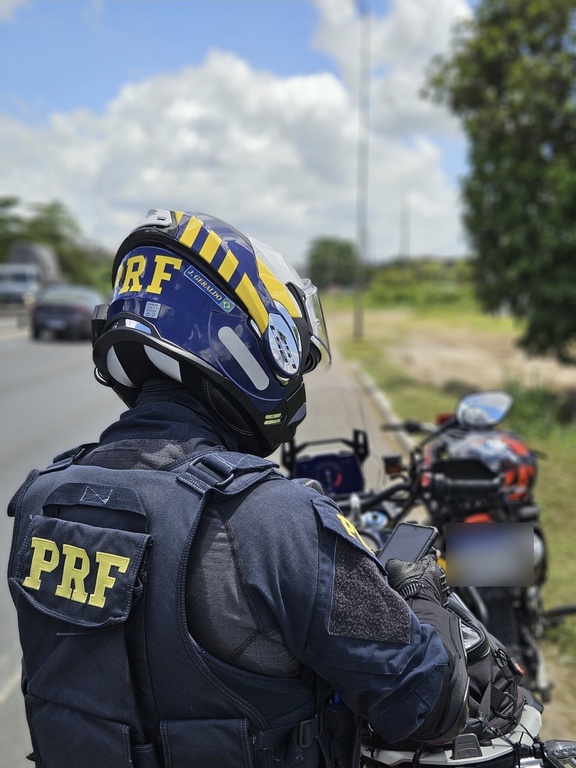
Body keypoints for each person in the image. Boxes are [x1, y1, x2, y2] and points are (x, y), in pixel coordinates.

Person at [7, 209, 469, 768]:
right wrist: (420, 596)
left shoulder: (44, 498)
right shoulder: (277, 521)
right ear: (245, 337)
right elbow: (428, 702)